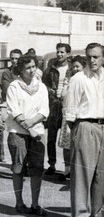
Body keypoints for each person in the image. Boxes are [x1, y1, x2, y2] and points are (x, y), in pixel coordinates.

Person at [65, 43, 104, 217]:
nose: (92, 60)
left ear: (103, 58)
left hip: (103, 125)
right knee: (83, 173)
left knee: (101, 174)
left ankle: (95, 213)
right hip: (85, 125)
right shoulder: (78, 79)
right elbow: (70, 108)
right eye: (89, 56)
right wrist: (77, 130)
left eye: (96, 56)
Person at [6, 55, 49, 215]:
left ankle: (35, 204)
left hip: (37, 133)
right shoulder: (14, 86)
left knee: (37, 169)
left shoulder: (42, 87)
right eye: (27, 68)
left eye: (33, 67)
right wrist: (28, 128)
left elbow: (45, 110)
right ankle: (19, 203)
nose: (31, 71)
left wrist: (32, 125)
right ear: (21, 70)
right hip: (18, 133)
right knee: (18, 169)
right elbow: (14, 110)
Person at [42, 43, 72, 175]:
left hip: (68, 104)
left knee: (68, 136)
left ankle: (68, 167)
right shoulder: (50, 68)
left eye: (62, 52)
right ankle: (52, 164)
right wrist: (51, 91)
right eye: (58, 52)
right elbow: (43, 85)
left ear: (68, 54)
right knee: (51, 136)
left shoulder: (73, 68)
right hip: (53, 104)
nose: (59, 54)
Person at [58, 55, 87, 180]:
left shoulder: (86, 80)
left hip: (80, 115)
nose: (75, 69)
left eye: (78, 67)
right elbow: (63, 96)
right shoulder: (69, 79)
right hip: (68, 114)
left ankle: (78, 171)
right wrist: (66, 83)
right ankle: (67, 169)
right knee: (67, 143)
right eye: (73, 66)